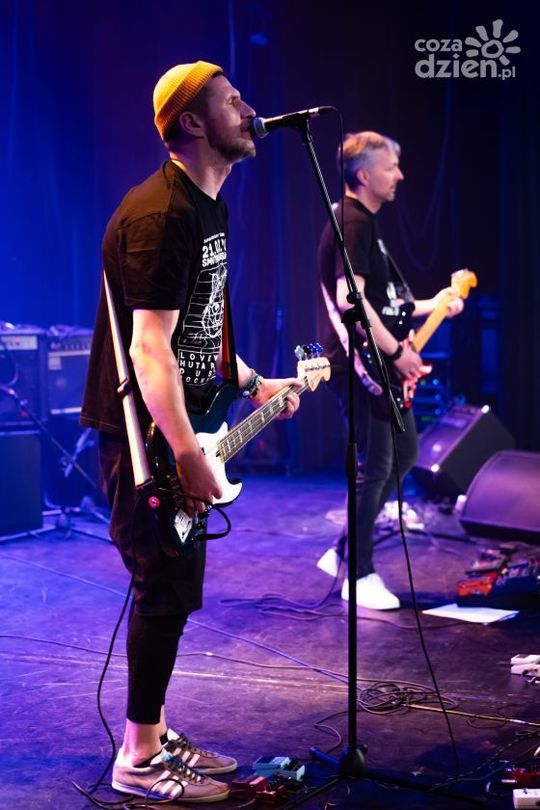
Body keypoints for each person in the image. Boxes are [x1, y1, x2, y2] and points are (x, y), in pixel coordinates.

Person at [80, 60, 300, 803]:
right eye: (233, 100)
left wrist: (254, 383)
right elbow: (150, 349)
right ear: (194, 122)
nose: (250, 108)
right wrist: (183, 452)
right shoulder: (160, 215)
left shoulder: (209, 209)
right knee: (162, 589)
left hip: (185, 429)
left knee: (173, 594)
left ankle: (154, 730)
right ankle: (137, 759)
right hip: (147, 442)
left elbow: (199, 334)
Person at [317, 131, 463, 611]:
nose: (399, 175)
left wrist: (432, 305)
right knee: (378, 466)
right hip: (362, 364)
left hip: (377, 359)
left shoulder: (365, 223)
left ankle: (345, 550)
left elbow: (384, 303)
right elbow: (351, 301)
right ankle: (358, 575)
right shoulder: (352, 221)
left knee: (404, 454)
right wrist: (397, 352)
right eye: (390, 167)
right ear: (364, 175)